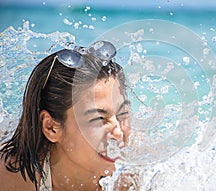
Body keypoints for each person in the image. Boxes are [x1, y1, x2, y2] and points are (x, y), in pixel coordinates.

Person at [0, 41, 134, 190]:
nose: (118, 133)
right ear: (51, 128)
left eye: (122, 113)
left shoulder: (134, 178)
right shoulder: (12, 177)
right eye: (98, 119)